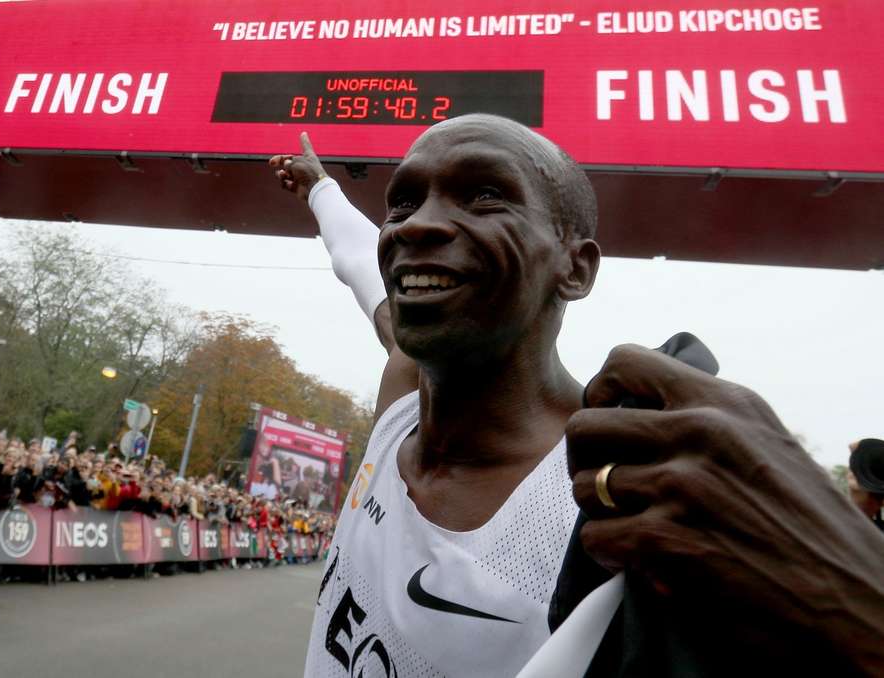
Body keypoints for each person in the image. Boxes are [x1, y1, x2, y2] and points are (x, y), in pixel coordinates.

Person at [272, 116, 884, 678]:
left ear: (577, 268)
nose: (419, 224)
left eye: (486, 196)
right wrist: (321, 187)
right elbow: (355, 258)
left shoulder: (616, 510)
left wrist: (860, 591)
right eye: (403, 202)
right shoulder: (401, 401)